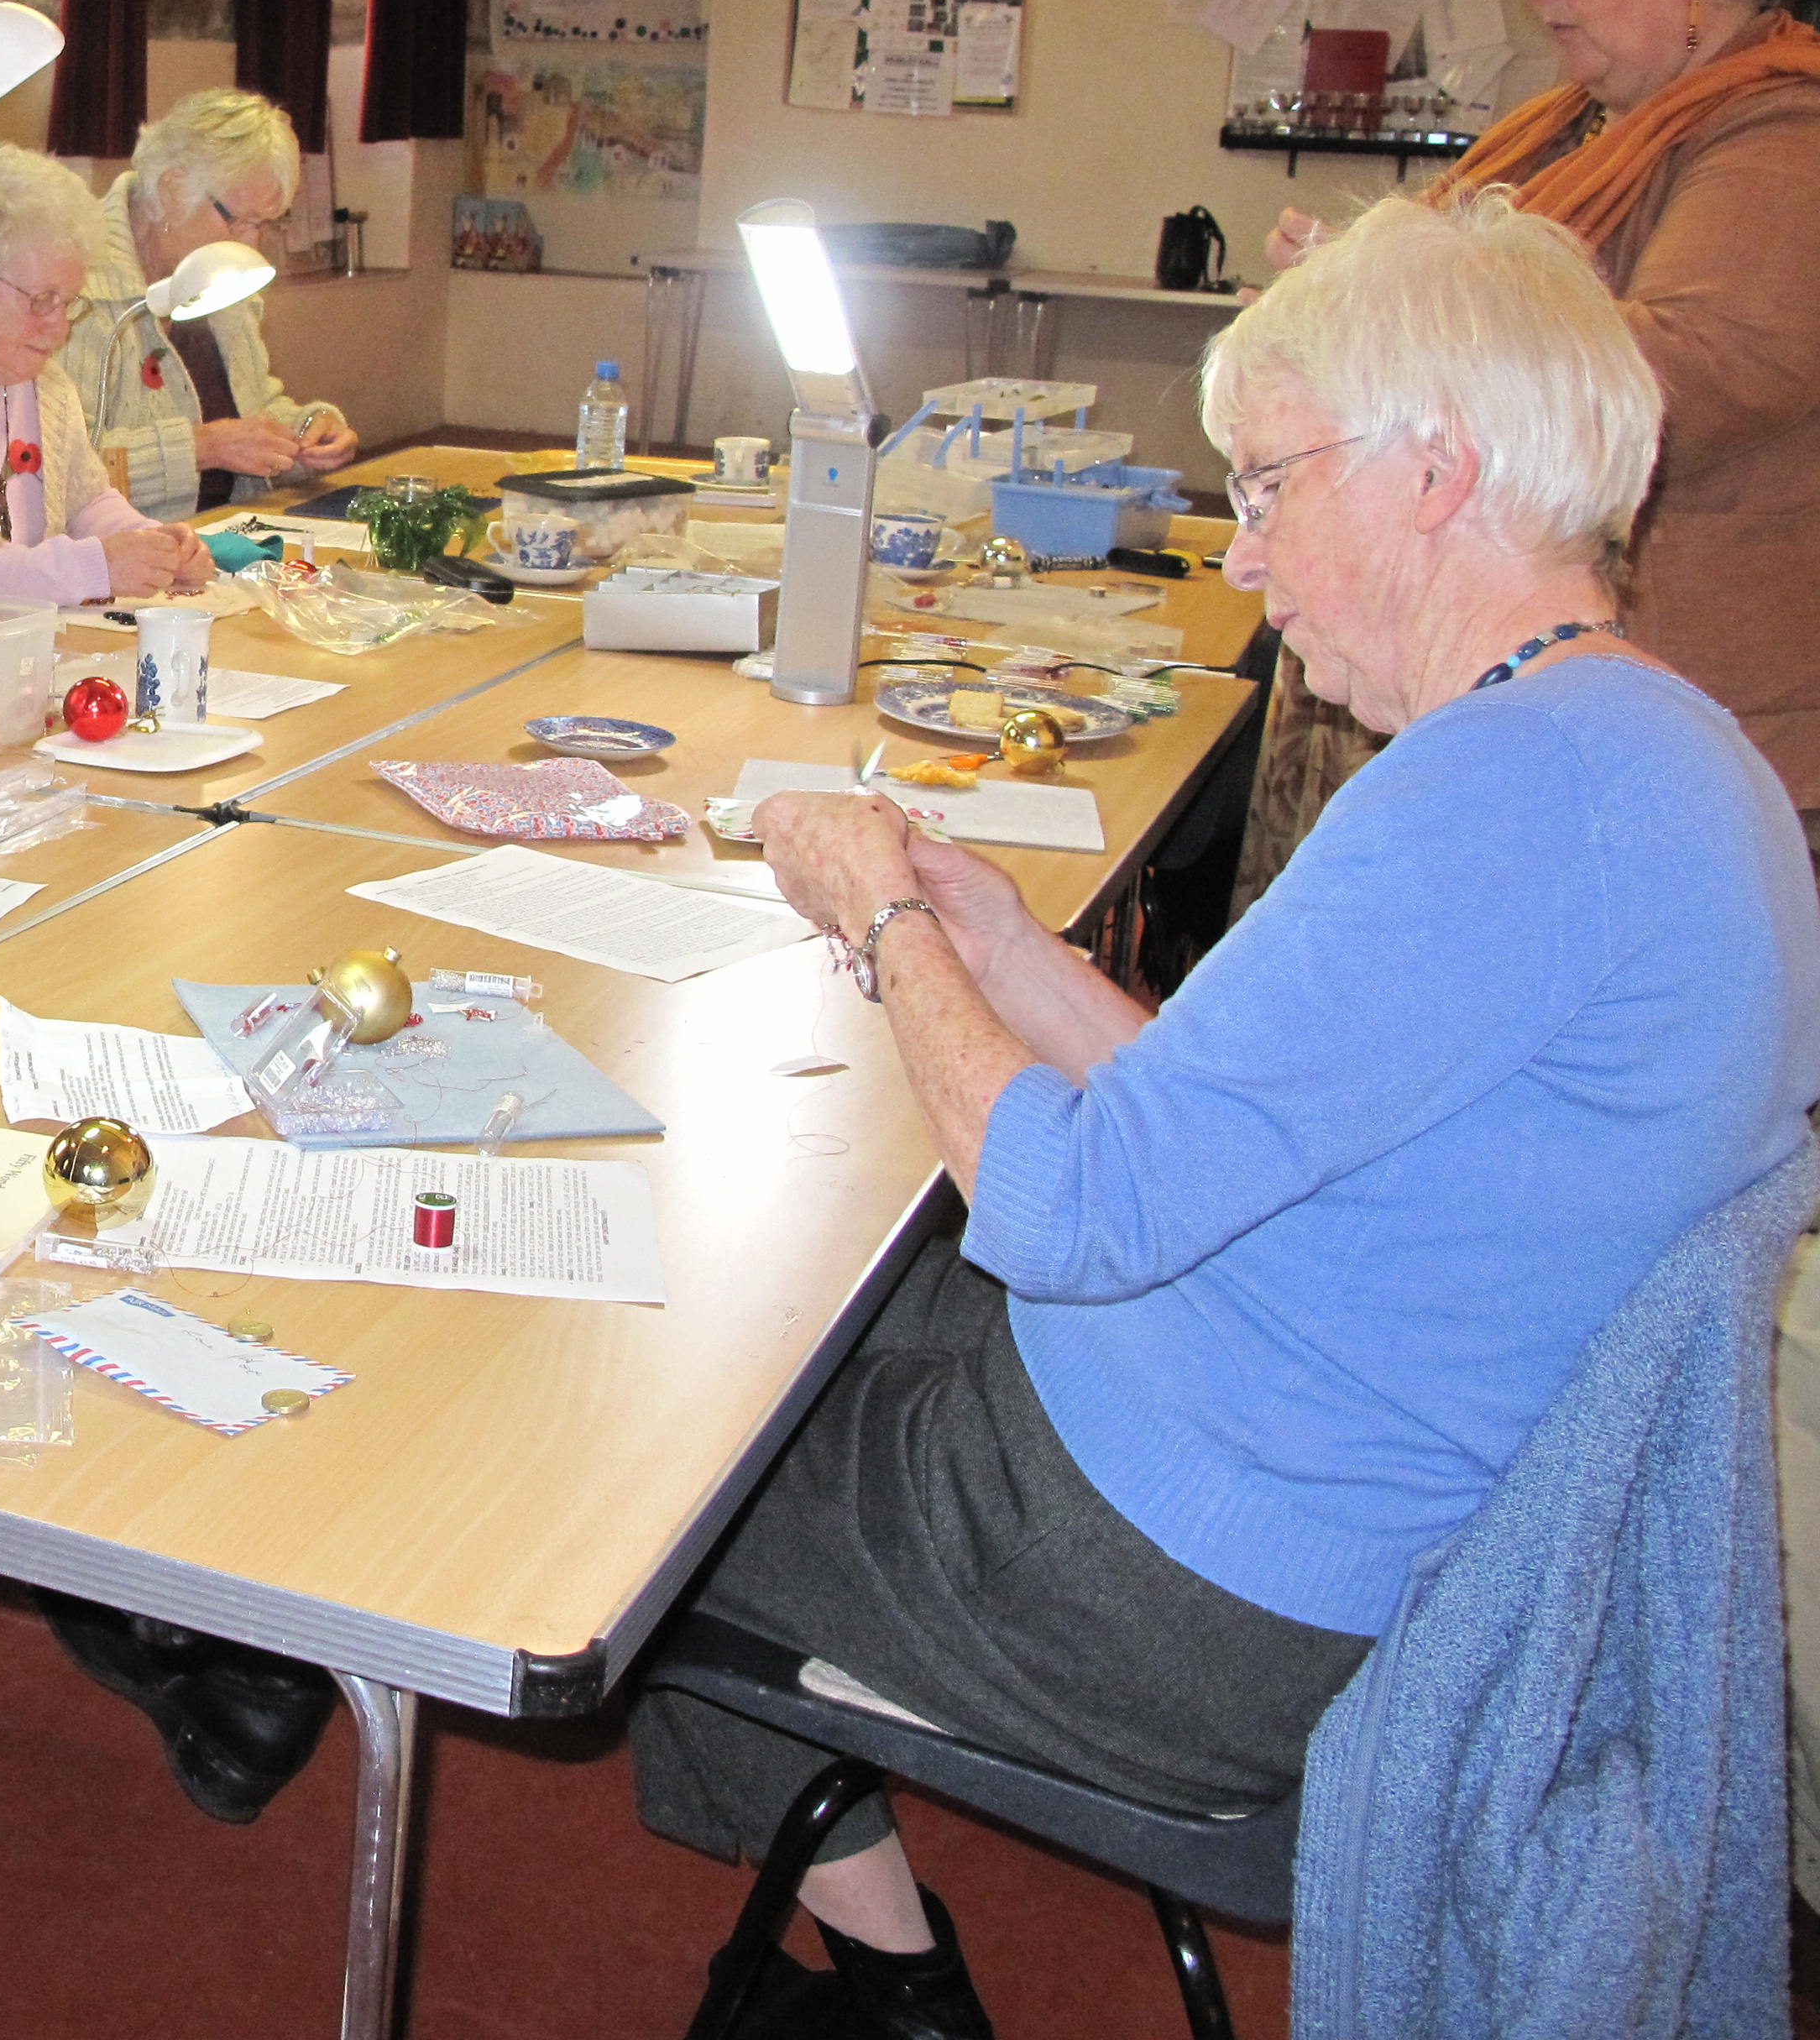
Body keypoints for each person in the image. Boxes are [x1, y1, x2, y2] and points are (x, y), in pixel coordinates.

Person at [647, 191, 1817, 2033]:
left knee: (650, 1452)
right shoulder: (1639, 752)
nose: (1245, 550)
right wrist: (1003, 945)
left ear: (1434, 468)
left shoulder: (1499, 801)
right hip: (1294, 1439)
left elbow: (1065, 1206)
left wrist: (883, 926)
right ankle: (880, 1963)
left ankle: (888, 1978)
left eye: (1269, 486)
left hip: (1185, 1579)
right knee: (782, 1299)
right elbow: (1222, 1119)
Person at [1239, 0, 1820, 903]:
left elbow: (1685, 381)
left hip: (1669, 721)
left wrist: (1396, 313)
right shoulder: (1567, 125)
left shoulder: (1783, 134)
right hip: (1521, 690)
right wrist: (1351, 294)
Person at [0, 145, 212, 604]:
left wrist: (155, 544)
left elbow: (86, 503)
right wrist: (88, 569)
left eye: (68, 302)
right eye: (41, 300)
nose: (60, 327)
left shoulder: (48, 386)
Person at [55, 90, 359, 518]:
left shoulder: (216, 274)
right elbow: (57, 468)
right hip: (130, 543)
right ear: (172, 189)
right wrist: (202, 448)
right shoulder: (73, 288)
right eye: (238, 219)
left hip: (232, 528)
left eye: (263, 224)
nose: (250, 243)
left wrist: (308, 431)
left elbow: (252, 408)